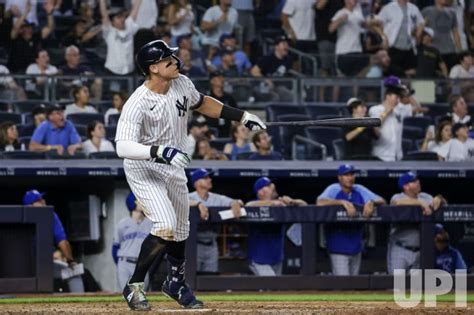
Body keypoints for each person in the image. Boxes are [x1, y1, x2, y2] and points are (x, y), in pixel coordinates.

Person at [114, 40, 265, 311]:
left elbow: (203, 103)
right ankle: (134, 285)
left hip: (173, 165)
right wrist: (161, 151)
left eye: (172, 55)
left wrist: (241, 116)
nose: (174, 60)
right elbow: (122, 147)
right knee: (165, 225)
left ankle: (176, 282)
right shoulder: (138, 102)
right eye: (167, 58)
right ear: (154, 68)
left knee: (181, 229)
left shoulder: (181, 82)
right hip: (144, 168)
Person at [317, 164, 385, 275]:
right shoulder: (334, 189)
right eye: (346, 175)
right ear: (339, 177)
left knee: (354, 285)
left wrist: (371, 202)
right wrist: (341, 202)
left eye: (352, 174)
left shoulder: (359, 189)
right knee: (344, 286)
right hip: (338, 246)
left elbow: (382, 200)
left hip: (356, 247)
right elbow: (320, 202)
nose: (350, 177)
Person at [23, 189, 84, 292]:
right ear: (29, 206)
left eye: (42, 198)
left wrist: (70, 261)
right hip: (26, 267)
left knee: (74, 273)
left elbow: (62, 241)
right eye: (38, 200)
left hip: (43, 266)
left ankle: (80, 306)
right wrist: (70, 261)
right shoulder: (20, 219)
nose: (43, 201)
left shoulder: (50, 215)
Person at [246, 177, 307, 276]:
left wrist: (293, 201)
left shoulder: (281, 205)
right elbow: (248, 205)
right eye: (268, 186)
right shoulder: (255, 204)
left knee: (275, 290)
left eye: (272, 184)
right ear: (260, 192)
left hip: (277, 258)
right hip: (259, 259)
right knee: (271, 287)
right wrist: (272, 203)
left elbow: (304, 205)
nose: (273, 187)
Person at [388, 172, 447, 274]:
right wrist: (420, 203)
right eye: (413, 181)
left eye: (417, 180)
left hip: (419, 251)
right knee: (397, 285)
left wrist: (439, 198)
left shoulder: (425, 196)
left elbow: (443, 203)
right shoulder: (397, 197)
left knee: (416, 287)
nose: (418, 182)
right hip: (400, 248)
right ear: (405, 186)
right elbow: (397, 203)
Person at [188, 168, 242, 273]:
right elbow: (175, 200)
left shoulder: (216, 198)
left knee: (210, 277)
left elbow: (234, 201)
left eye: (209, 177)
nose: (210, 180)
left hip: (212, 244)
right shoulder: (189, 196)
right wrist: (198, 204)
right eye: (205, 178)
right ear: (197, 183)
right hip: (193, 245)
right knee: (191, 277)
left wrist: (235, 203)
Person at [112, 192, 153, 291]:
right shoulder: (122, 224)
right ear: (133, 203)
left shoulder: (150, 224)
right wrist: (120, 265)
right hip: (124, 263)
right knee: (125, 294)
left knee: (141, 294)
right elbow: (115, 248)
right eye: (140, 201)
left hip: (141, 264)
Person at [369, 76, 412, 161]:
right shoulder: (375, 109)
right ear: (387, 96)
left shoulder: (399, 110)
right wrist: (386, 112)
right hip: (380, 156)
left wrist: (406, 92)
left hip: (397, 157)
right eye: (396, 97)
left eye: (399, 97)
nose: (398, 100)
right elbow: (375, 125)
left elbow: (417, 108)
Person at [375, 0, 424, 74]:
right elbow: (376, 24)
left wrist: (418, 32)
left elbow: (421, 23)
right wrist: (383, 37)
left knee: (410, 75)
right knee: (393, 75)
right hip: (393, 48)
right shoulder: (388, 8)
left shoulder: (414, 8)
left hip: (410, 49)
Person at [8, 1, 55, 73]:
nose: (29, 29)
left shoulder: (36, 36)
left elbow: (50, 28)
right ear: (21, 29)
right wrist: (26, 12)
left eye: (30, 27)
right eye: (26, 27)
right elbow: (15, 28)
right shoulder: (16, 38)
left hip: (33, 71)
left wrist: (49, 13)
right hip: (15, 70)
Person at [99, 0, 142, 75]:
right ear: (112, 22)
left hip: (129, 70)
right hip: (113, 71)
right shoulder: (109, 31)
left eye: (123, 17)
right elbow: (104, 14)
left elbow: (135, 9)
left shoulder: (129, 26)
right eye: (118, 18)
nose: (122, 19)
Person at [329, 0, 369, 76]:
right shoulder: (341, 12)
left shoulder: (358, 13)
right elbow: (331, 29)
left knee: (356, 78)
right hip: (343, 51)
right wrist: (340, 20)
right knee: (341, 78)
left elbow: (364, 24)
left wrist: (373, 23)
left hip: (357, 50)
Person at [422, 0, 462, 69]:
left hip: (450, 50)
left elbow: (455, 33)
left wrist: (460, 51)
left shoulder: (452, 13)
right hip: (433, 50)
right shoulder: (426, 11)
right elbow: (421, 29)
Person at [206, 70, 238, 137]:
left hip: (228, 132)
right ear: (212, 81)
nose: (222, 79)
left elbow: (237, 114)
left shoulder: (229, 98)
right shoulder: (206, 98)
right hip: (210, 133)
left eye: (222, 77)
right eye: (218, 77)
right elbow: (198, 116)